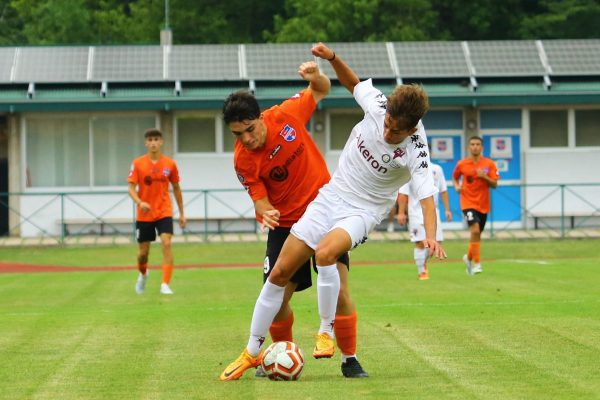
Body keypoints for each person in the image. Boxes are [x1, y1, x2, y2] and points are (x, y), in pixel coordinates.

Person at [219, 42, 446, 381]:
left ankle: (333, 342)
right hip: (329, 196)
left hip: (363, 210)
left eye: (395, 131)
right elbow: (354, 84)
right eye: (386, 123)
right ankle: (254, 353)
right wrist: (333, 59)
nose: (387, 132)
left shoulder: (417, 149)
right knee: (278, 275)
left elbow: (426, 197)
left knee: (329, 262)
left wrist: (430, 236)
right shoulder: (379, 106)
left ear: (412, 129)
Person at [223, 59, 368, 378]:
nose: (246, 139)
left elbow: (322, 90)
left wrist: (317, 76)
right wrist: (265, 210)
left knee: (341, 291)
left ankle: (350, 359)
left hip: (327, 211)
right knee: (275, 298)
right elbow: (259, 199)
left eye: (250, 129)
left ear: (260, 118)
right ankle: (276, 355)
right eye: (238, 134)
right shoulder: (243, 160)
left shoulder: (285, 114)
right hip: (287, 226)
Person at [127, 128, 186, 295]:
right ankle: (143, 274)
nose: (153, 143)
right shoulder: (138, 163)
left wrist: (181, 213)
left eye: (156, 139)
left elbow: (176, 188)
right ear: (146, 143)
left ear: (161, 142)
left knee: (166, 243)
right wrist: (139, 202)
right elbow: (130, 188)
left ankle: (165, 284)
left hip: (164, 211)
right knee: (143, 254)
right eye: (150, 140)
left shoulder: (170, 164)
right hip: (144, 214)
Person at [397, 154, 452, 280]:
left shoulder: (437, 169)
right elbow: (403, 193)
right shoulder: (409, 170)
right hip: (416, 212)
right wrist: (401, 212)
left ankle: (423, 263)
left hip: (433, 212)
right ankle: (422, 271)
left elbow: (443, 190)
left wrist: (447, 209)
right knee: (421, 243)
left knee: (435, 243)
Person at [452, 136, 499, 275]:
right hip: (467, 202)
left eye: (478, 144)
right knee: (475, 231)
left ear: (482, 147)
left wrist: (484, 177)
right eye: (472, 144)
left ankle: (468, 257)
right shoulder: (462, 164)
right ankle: (477, 264)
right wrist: (456, 186)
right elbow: (455, 177)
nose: (475, 147)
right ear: (468, 147)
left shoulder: (489, 164)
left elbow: (495, 184)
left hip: (483, 204)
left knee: (476, 235)